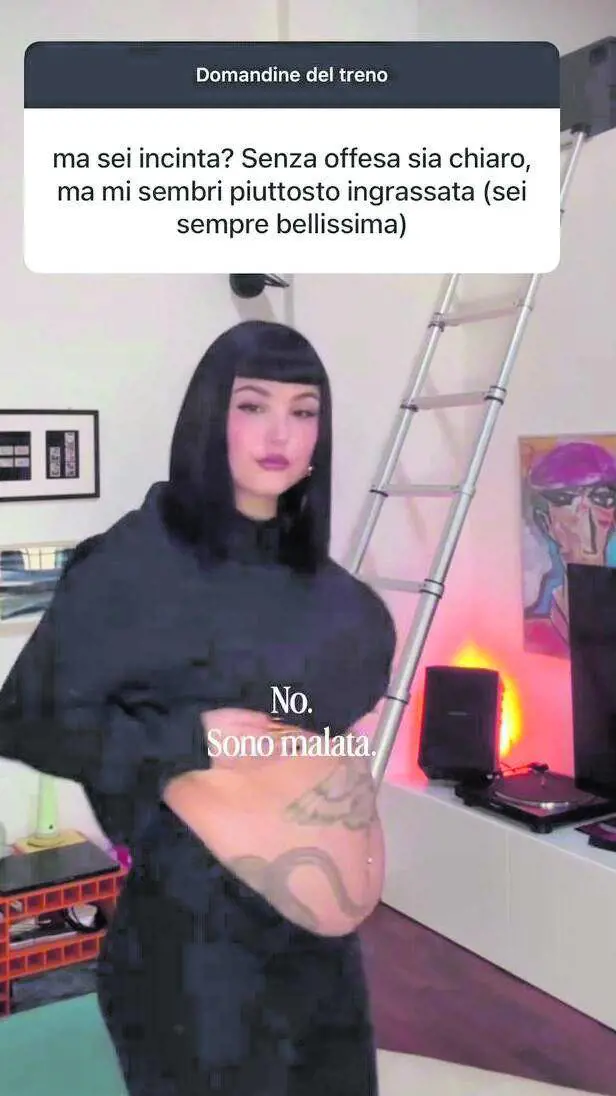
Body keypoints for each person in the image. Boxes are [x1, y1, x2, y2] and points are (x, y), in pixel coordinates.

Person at [0, 319, 396, 1095]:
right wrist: (189, 736)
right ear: (211, 416)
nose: (280, 434)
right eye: (253, 406)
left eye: (303, 411)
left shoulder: (325, 590)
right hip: (195, 952)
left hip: (320, 957)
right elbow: (24, 717)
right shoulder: (135, 564)